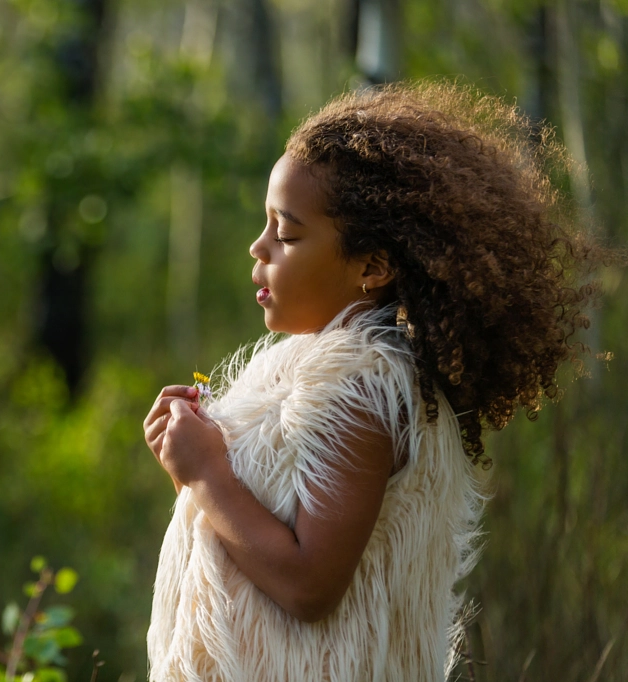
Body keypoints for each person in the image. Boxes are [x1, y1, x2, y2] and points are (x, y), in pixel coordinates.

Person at [142, 82, 614, 681]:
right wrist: (191, 470)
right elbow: (252, 540)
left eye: (286, 235)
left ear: (373, 267)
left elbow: (310, 585)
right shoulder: (301, 375)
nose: (258, 247)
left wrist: (207, 474)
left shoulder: (361, 391)